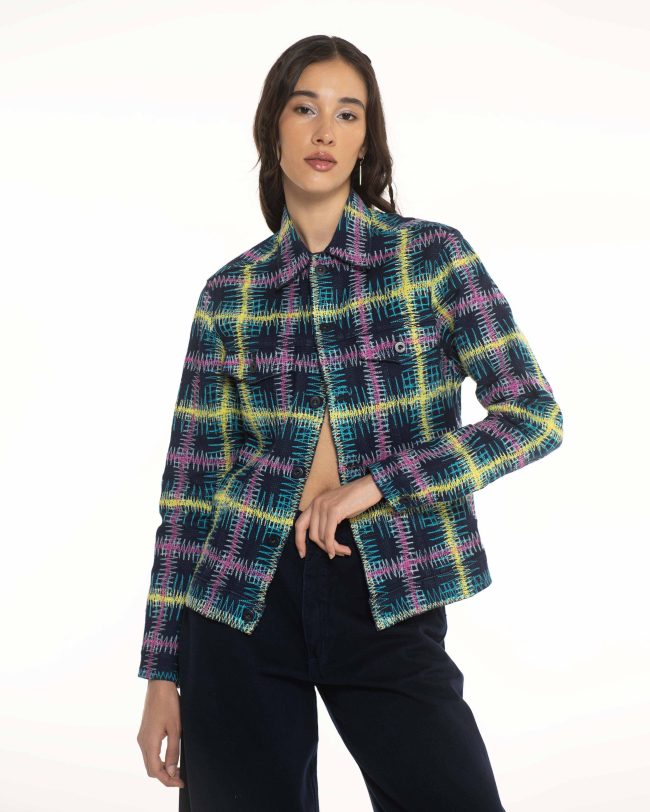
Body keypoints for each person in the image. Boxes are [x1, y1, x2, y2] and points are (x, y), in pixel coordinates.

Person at [136, 34, 563, 812]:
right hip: (240, 594)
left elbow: (532, 414)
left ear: (369, 138)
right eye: (305, 109)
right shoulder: (230, 294)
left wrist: (378, 485)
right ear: (273, 125)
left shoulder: (431, 258)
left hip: (387, 585)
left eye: (347, 113)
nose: (325, 132)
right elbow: (190, 492)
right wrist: (163, 672)